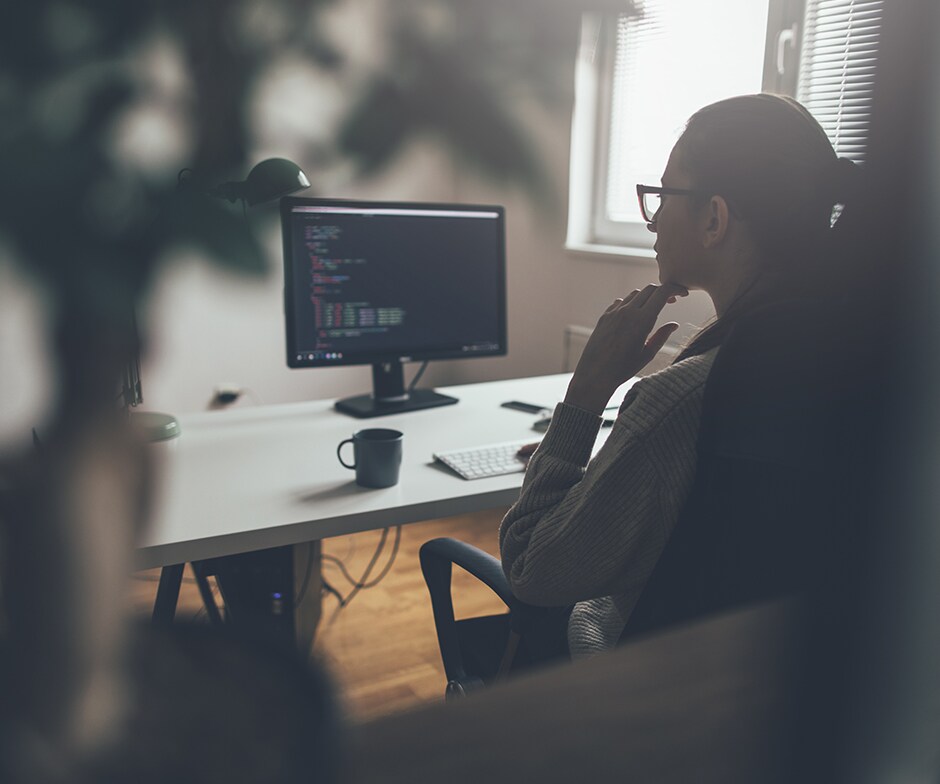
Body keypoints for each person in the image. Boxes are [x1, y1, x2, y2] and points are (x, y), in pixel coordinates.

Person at [499, 93, 858, 659]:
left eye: (663, 195)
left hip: (638, 689)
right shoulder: (849, 353)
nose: (655, 218)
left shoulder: (680, 400)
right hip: (774, 680)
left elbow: (530, 568)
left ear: (713, 218)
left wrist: (586, 393)